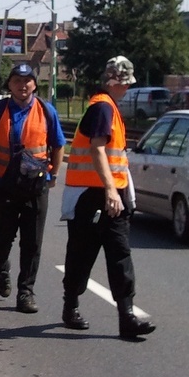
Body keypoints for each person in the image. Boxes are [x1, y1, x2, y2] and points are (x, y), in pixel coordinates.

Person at [59, 55, 155, 340]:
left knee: (119, 255)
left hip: (110, 195)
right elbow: (97, 150)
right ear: (120, 83)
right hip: (93, 196)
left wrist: (122, 193)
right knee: (82, 254)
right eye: (126, 83)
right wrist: (111, 190)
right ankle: (71, 305)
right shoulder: (102, 108)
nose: (127, 88)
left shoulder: (108, 107)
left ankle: (127, 317)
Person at [0, 62, 66, 313]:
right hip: (4, 186)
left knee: (32, 243)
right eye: (17, 80)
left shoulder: (46, 111)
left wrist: (53, 175)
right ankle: (1, 267)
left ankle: (25, 292)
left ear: (35, 84)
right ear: (10, 85)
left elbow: (58, 145)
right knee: (1, 237)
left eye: (27, 80)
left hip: (35, 188)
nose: (23, 85)